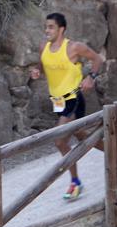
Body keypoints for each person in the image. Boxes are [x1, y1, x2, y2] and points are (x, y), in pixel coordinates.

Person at [29, 12, 108, 200]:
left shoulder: (74, 47)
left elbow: (97, 59)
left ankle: (75, 183)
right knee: (80, 134)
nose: (46, 30)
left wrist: (91, 77)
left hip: (74, 97)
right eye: (46, 26)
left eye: (51, 27)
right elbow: (42, 63)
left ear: (61, 29)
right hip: (57, 100)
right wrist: (37, 71)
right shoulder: (44, 47)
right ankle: (114, 152)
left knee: (60, 140)